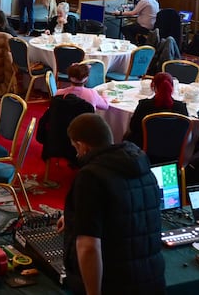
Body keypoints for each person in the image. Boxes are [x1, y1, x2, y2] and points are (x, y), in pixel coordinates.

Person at [57, 113, 165, 295]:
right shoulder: (142, 164)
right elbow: (124, 210)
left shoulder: (90, 176)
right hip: (151, 279)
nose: (76, 153)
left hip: (114, 283)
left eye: (75, 147)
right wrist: (75, 217)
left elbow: (89, 246)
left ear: (83, 146)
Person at [125, 72, 187, 151]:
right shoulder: (181, 107)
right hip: (172, 151)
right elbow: (184, 132)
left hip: (144, 148)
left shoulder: (144, 105)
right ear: (172, 87)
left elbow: (133, 127)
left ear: (152, 86)